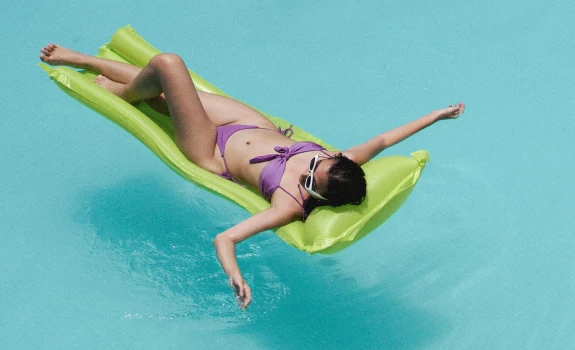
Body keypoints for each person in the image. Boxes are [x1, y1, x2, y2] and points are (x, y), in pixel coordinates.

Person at [40, 43, 465, 309]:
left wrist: (235, 275)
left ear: (313, 194)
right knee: (169, 90)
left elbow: (225, 238)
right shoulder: (339, 161)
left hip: (213, 149)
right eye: (320, 159)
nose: (310, 162)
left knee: (170, 65)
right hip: (247, 124)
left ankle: (100, 74)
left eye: (310, 172)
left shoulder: (288, 205)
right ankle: (124, 87)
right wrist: (436, 115)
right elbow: (385, 140)